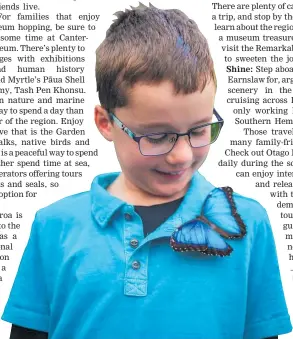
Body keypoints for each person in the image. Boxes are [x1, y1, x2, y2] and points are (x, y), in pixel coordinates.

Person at [2, 3, 292, 339]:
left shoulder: (247, 222)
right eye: (156, 136)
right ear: (105, 122)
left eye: (199, 130)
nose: (181, 156)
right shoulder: (54, 225)